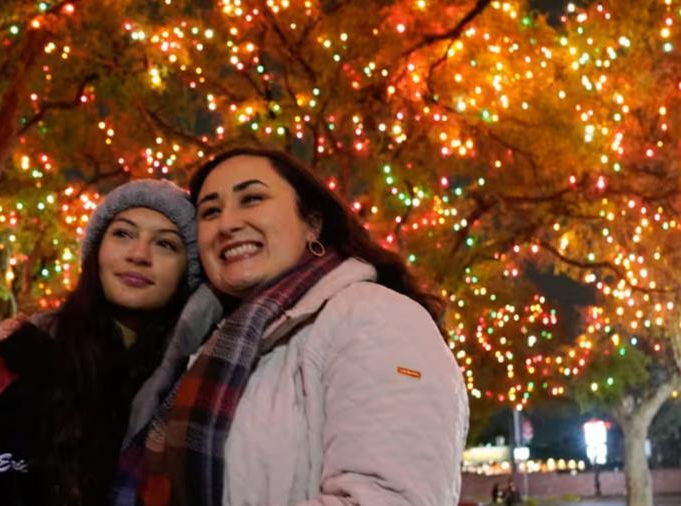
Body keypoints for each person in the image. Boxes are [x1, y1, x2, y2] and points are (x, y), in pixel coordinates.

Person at [114, 147, 469, 506]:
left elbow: (388, 498)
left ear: (312, 224)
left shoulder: (374, 317)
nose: (227, 224)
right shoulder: (206, 349)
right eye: (210, 211)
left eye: (251, 199)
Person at [0, 179, 203, 506]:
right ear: (96, 251)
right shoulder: (4, 365)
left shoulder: (195, 383)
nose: (139, 254)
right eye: (123, 234)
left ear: (188, 270)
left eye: (166, 245)